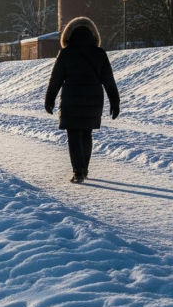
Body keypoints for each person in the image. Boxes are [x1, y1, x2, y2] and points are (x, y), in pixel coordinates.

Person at [44, 16, 120, 184]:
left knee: (74, 134)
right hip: (93, 99)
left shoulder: (66, 53)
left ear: (69, 34)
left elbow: (55, 79)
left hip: (71, 98)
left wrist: (50, 99)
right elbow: (109, 79)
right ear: (93, 34)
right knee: (86, 133)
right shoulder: (99, 53)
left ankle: (78, 172)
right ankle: (84, 169)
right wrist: (115, 102)